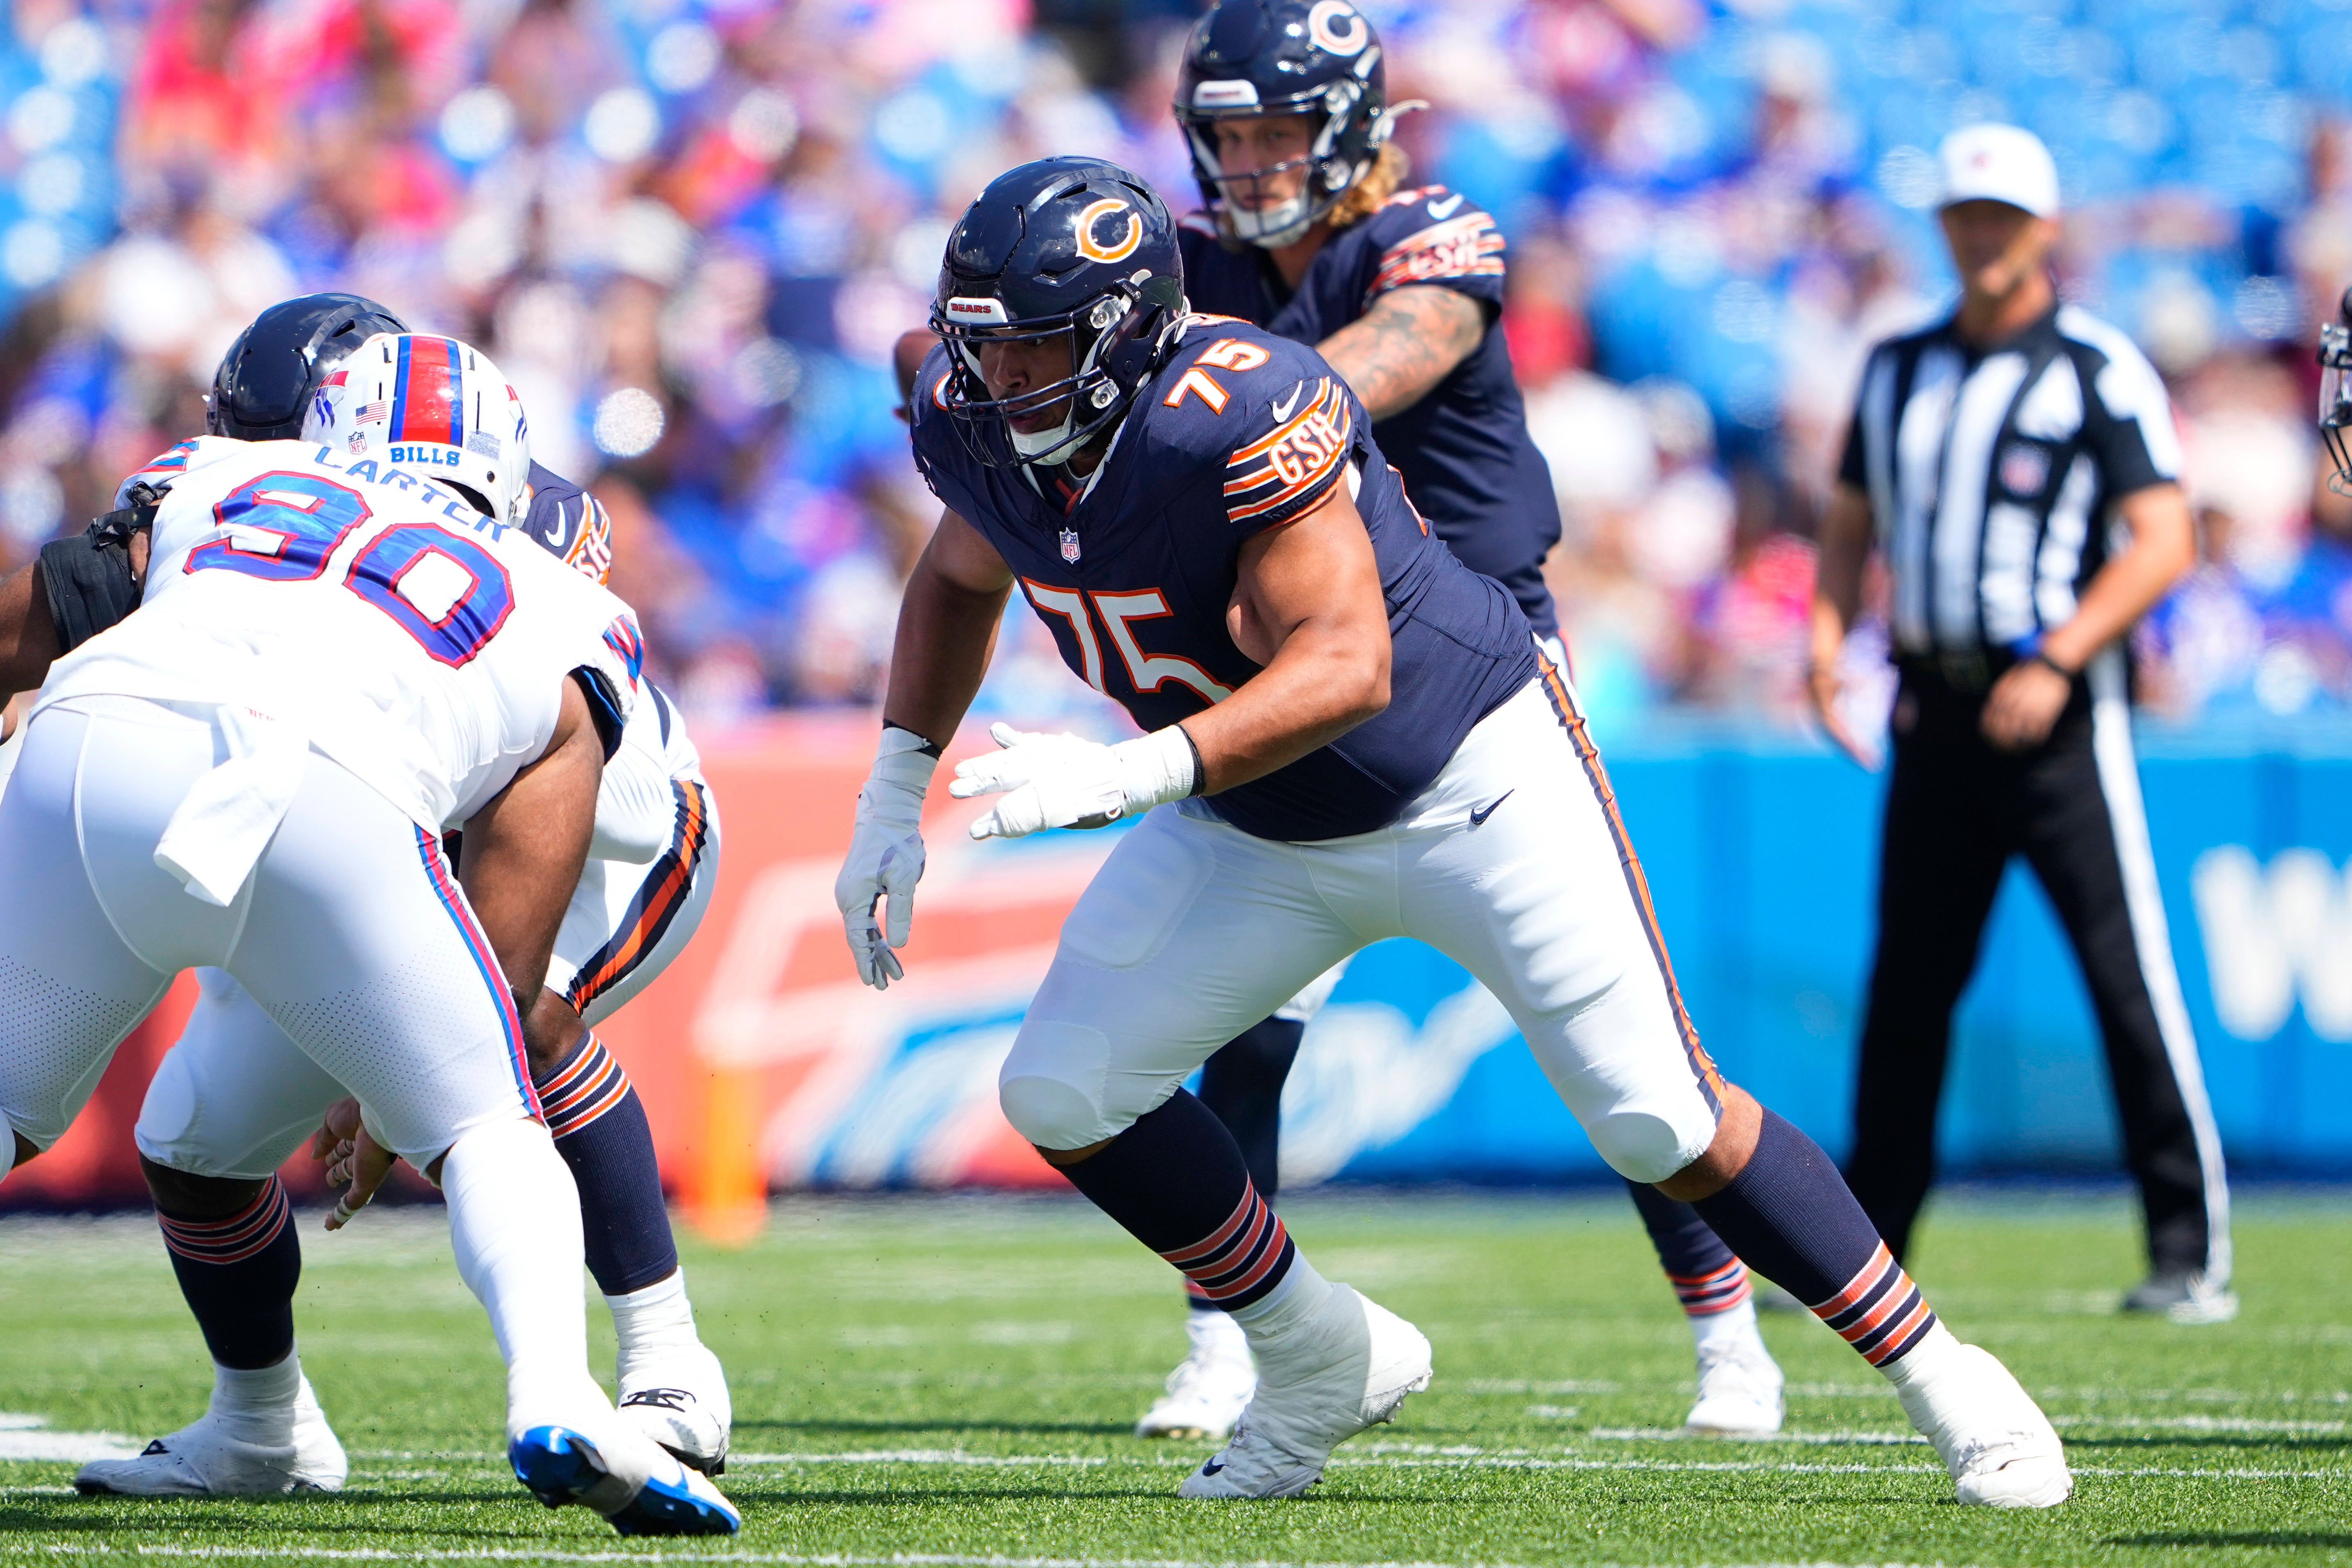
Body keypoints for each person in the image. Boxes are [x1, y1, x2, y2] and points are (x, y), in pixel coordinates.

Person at [841, 153, 2070, 1507]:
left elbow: (1345, 663)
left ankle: (1952, 1379)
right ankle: (1318, 1353)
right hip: (1256, 820)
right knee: (1063, 1089)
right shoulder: (971, 412)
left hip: (1469, 778)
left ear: (1128, 329)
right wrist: (894, 784)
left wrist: (1135, 772)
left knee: (1660, 1114)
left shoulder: (1241, 407)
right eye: (987, 345)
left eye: (1038, 348)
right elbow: (959, 572)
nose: (1004, 380)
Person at [1141, 0, 1778, 1441]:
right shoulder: (1197, 267)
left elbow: (1388, 357)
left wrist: (1202, 418)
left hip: (1485, 676)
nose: (1245, 162)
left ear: (1357, 125)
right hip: (1296, 676)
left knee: (1605, 1041)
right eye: (1225, 134)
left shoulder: (1432, 237)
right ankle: (1232, 1337)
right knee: (1236, 1033)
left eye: (1276, 131)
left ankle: (1729, 1329)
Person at [0, 333, 737, 1535]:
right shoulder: (561, 593)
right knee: (483, 1122)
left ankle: (669, 1362)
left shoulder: (214, 476)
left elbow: (50, 609)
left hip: (96, 744)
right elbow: (540, 793)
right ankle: (545, 1393)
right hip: (343, 800)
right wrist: (417, 1070)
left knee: (20, 1098)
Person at [1808, 125, 2230, 1324]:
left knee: (2122, 975)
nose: (1982, 234)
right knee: (1906, 991)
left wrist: (2057, 655)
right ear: (1942, 227)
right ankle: (1865, 1254)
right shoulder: (1893, 366)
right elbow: (1847, 522)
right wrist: (1826, 642)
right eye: (1964, 215)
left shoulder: (2096, 366)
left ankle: (2186, 1247)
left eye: (2003, 215)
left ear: (2045, 229)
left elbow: (2163, 538)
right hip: (1930, 704)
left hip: (2053, 713)